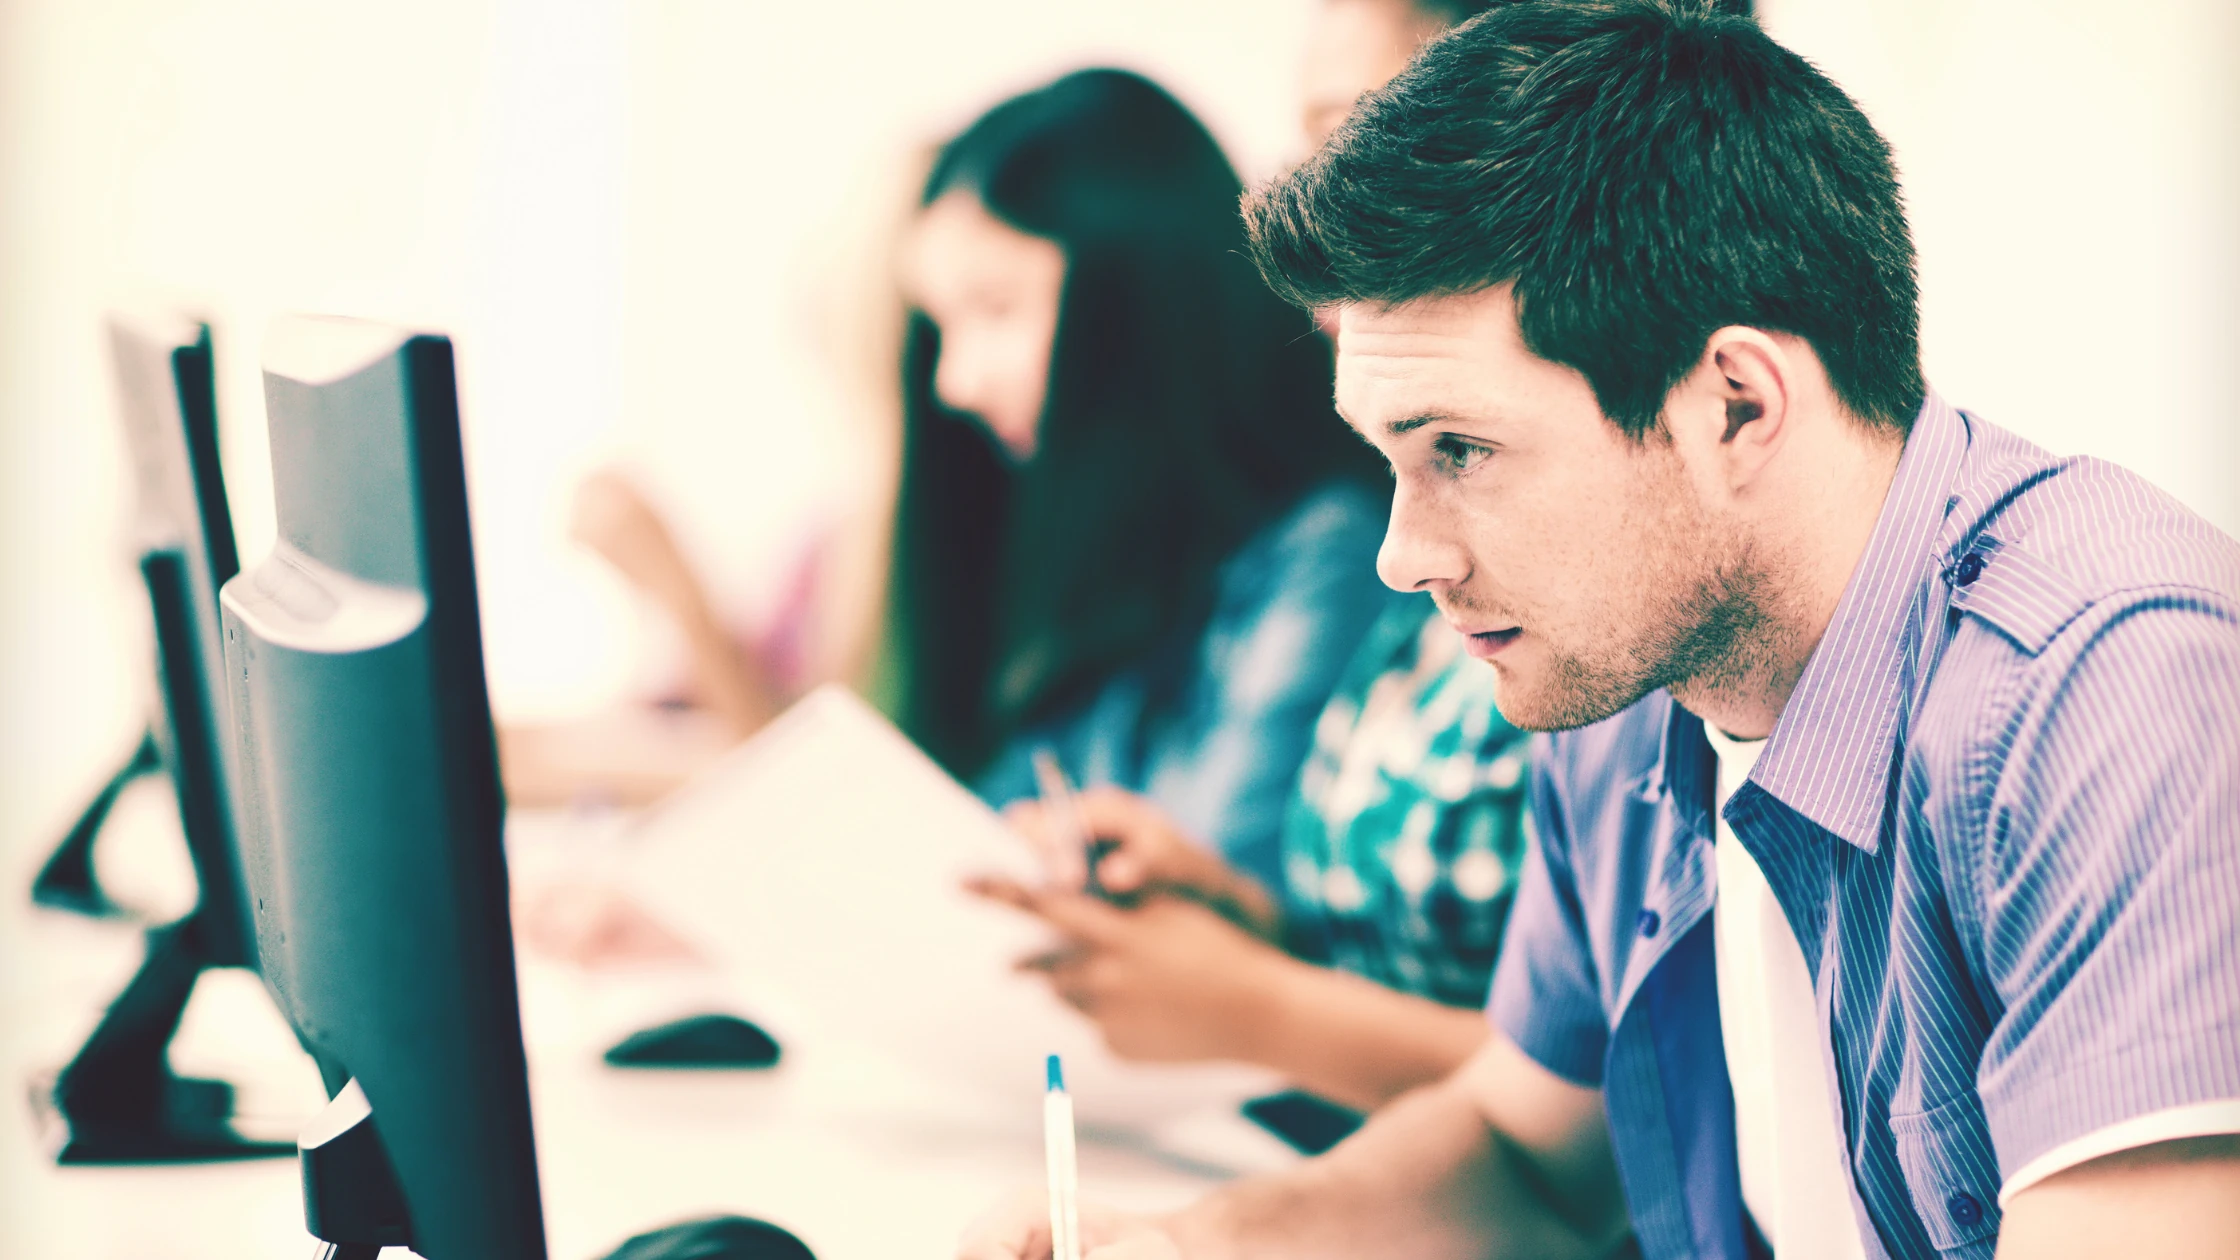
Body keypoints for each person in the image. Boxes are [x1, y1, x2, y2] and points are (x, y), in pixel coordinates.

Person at [959, 3, 2240, 1259]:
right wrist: (1176, 1248)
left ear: (1734, 404)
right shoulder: (1623, 676)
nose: (1401, 558)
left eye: (1458, 450)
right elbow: (1521, 1158)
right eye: (1390, 461)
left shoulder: (2120, 694)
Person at [535, 71, 1393, 891]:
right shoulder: (1110, 559)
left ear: (1136, 301)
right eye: (942, 325)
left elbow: (1209, 900)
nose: (954, 383)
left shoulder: (1325, 554)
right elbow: (973, 843)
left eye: (995, 308)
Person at [958, 0, 1540, 1118]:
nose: (1282, 195)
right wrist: (1227, 908)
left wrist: (1250, 1000)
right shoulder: (1409, 553)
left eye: (1343, 132)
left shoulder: (1602, 603)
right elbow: (1387, 951)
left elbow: (1606, 1109)